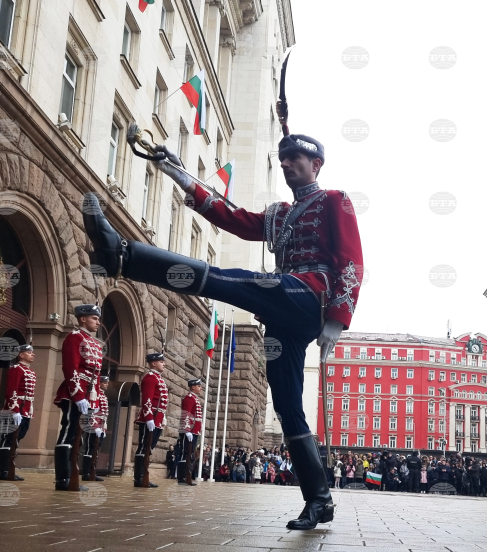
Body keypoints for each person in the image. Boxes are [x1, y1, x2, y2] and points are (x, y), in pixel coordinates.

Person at [84, 127, 363, 529]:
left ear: (316, 164)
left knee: (236, 281)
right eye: (283, 159)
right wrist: (180, 175)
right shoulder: (281, 214)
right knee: (287, 406)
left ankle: (124, 256)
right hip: (282, 312)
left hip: (309, 296)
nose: (286, 164)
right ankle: (319, 501)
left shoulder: (335, 200)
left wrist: (338, 318)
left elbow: (352, 261)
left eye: (295, 159)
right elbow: (234, 219)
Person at [53, 305, 103, 491]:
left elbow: (96, 376)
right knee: (69, 432)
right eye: (94, 318)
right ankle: (63, 478)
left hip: (89, 395)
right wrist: (78, 395)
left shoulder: (94, 343)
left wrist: (95, 401)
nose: (98, 322)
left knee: (78, 436)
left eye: (98, 319)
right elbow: (70, 367)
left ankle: (71, 476)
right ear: (83, 319)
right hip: (75, 394)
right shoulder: (75, 337)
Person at [0, 344, 37, 481]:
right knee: (8, 439)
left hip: (26, 409)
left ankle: (10, 470)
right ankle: (3, 471)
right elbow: (11, 390)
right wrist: (14, 410)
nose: (32, 354)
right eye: (29, 352)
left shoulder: (30, 372)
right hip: (15, 408)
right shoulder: (16, 369)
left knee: (17, 438)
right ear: (21, 355)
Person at [134, 352, 169, 488]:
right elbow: (147, 400)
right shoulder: (149, 378)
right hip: (150, 417)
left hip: (157, 418)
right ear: (153, 363)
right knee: (144, 447)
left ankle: (144, 476)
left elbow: (161, 401)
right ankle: (139, 477)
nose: (164, 364)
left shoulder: (158, 378)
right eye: (161, 362)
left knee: (149, 448)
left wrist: (162, 416)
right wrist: (149, 418)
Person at [82, 375, 109, 482]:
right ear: (99, 383)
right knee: (90, 448)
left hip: (101, 425)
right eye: (104, 383)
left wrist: (103, 428)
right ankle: (86, 472)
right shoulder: (96, 394)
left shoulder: (103, 395)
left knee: (96, 449)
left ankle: (92, 471)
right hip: (94, 425)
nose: (106, 385)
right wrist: (95, 426)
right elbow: (91, 412)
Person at [176, 378, 202, 485]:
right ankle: (182, 477)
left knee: (190, 454)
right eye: (199, 386)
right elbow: (186, 414)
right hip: (189, 430)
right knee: (185, 453)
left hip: (194, 431)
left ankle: (187, 476)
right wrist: (187, 430)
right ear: (193, 387)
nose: (200, 388)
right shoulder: (189, 398)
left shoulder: (195, 398)